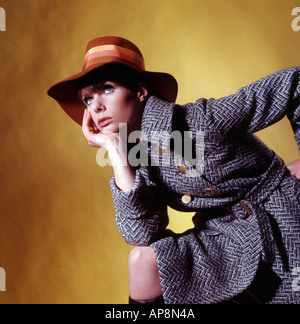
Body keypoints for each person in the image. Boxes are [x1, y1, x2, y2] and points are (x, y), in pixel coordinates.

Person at [48, 36, 300, 304]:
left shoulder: (202, 120)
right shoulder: (138, 156)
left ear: (141, 92)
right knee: (143, 261)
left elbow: (294, 83)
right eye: (87, 99)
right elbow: (143, 236)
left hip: (281, 219)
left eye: (107, 89)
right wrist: (115, 151)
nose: (96, 106)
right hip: (225, 239)